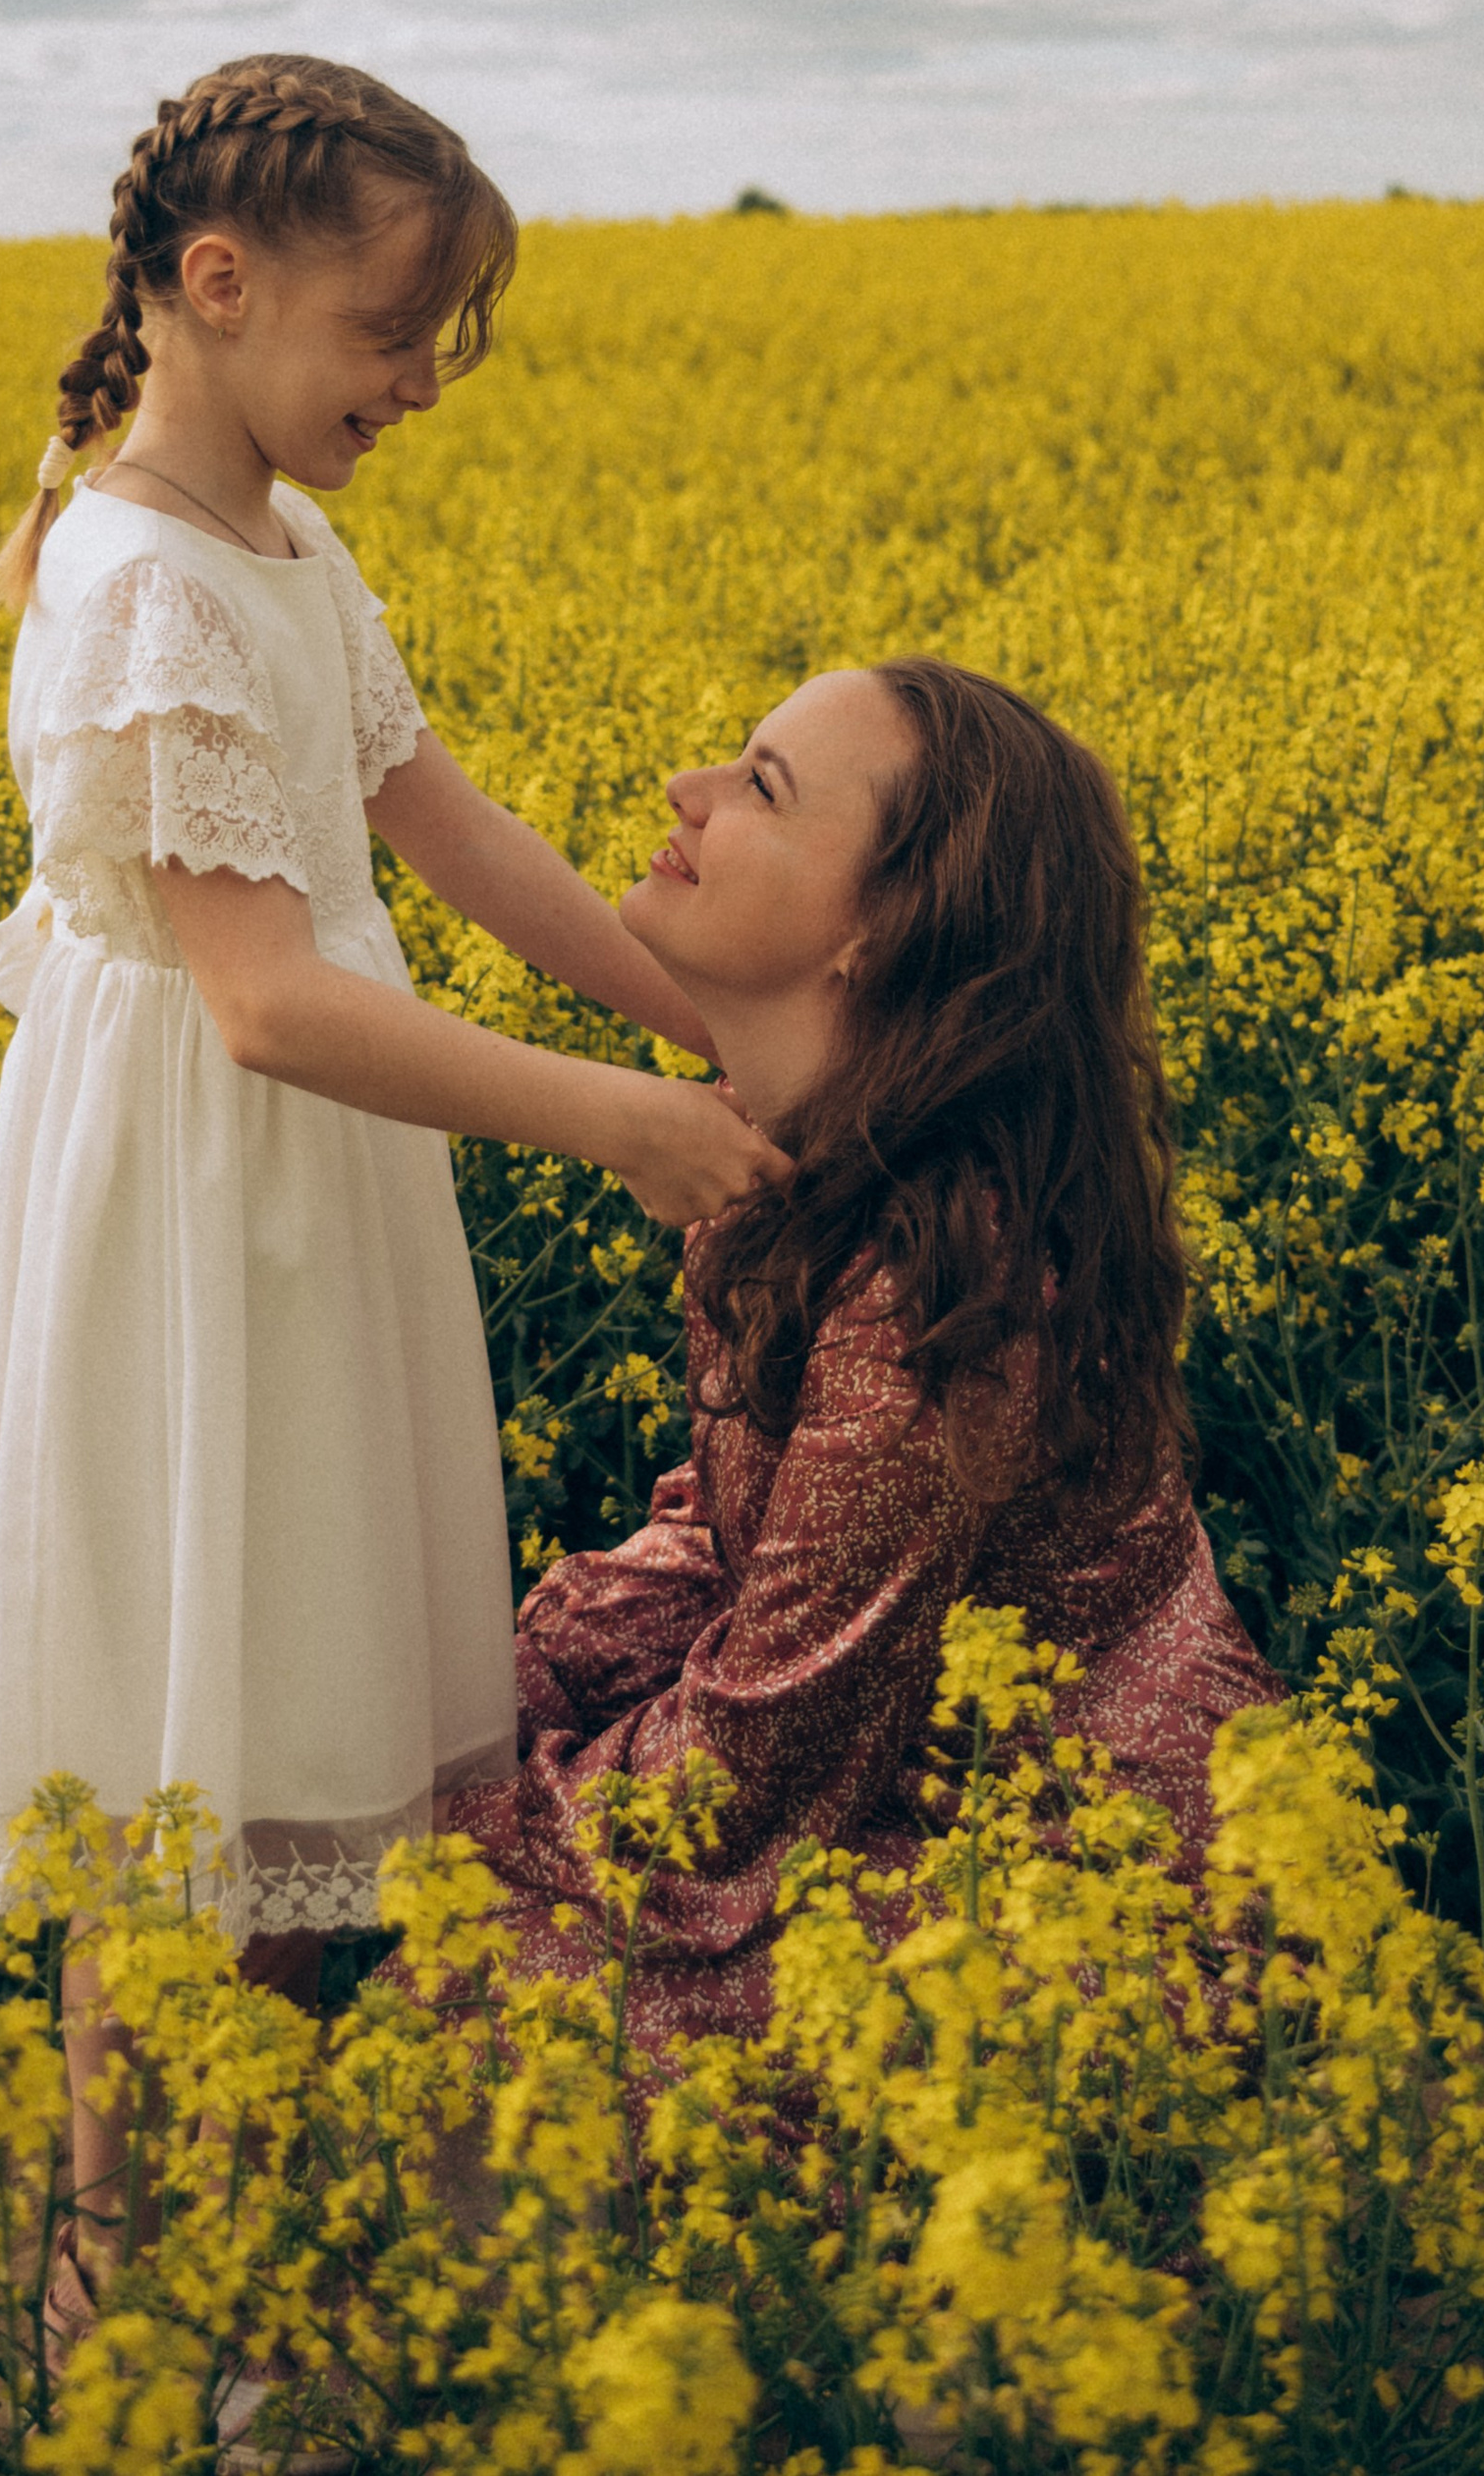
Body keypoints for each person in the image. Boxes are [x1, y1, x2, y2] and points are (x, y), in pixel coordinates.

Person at [0, 52, 783, 2327]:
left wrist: (705, 1025)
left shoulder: (287, 547)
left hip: (309, 1210)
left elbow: (447, 830)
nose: (417, 384)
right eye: (392, 332)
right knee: (177, 1766)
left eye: (439, 343)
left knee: (287, 1742)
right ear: (217, 284)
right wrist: (620, 1119)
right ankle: (118, 2291)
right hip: (200, 1206)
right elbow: (267, 1002)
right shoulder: (141, 584)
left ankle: (239, 2286)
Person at [434, 655, 1285, 2053]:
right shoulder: (782, 1156)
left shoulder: (939, 1294)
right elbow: (733, 1537)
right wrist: (515, 1677)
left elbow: (763, 1760)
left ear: (879, 937)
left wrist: (463, 1811)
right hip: (892, 1756)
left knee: (510, 1986)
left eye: (758, 786)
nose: (685, 792)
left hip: (1083, 1872)